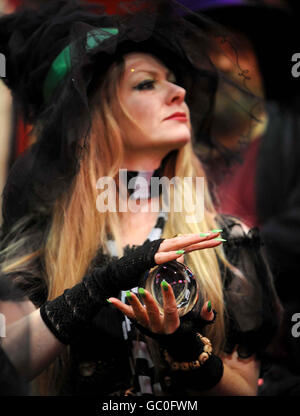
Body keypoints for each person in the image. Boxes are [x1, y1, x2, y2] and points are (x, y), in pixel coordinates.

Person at [0, 0, 281, 396]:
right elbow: (8, 365)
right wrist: (98, 287)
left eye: (173, 79)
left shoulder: (226, 243)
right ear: (91, 117)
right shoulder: (37, 250)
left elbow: (246, 391)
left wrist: (185, 349)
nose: (179, 92)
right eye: (147, 83)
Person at [178, 0, 300, 396]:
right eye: (206, 51)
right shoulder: (178, 154)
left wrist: (206, 258)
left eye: (234, 48)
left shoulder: (291, 138)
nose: (224, 65)